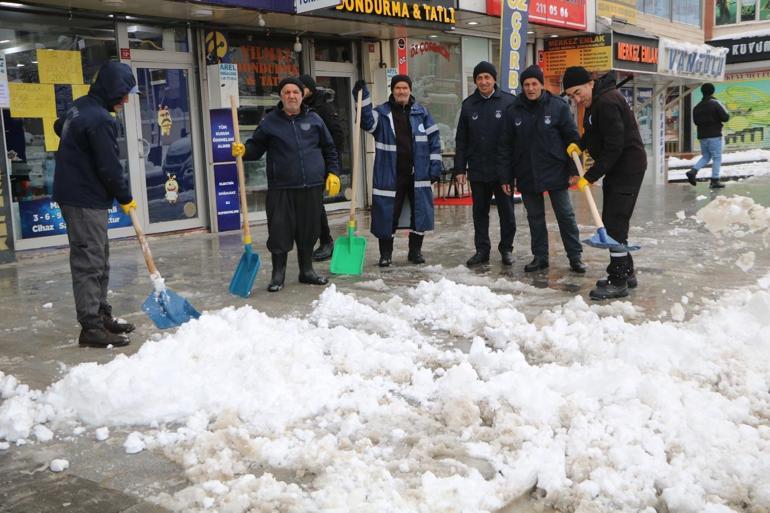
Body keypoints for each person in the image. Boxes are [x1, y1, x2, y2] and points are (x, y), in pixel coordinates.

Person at [53, 61, 139, 348]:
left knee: (99, 260)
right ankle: (90, 327)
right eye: (123, 92)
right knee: (89, 264)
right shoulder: (101, 118)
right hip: (83, 199)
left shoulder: (80, 107)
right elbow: (110, 167)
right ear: (112, 88)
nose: (126, 99)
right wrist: (125, 197)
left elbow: (59, 125)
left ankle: (101, 316)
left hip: (83, 197)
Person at [231, 77, 339, 292]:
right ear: (281, 96)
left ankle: (306, 271)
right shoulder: (270, 121)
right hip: (281, 188)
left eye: (295, 92)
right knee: (280, 232)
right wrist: (244, 151)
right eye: (287, 92)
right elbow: (256, 147)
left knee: (309, 231)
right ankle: (277, 275)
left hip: (311, 186)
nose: (291, 96)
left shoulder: (315, 119)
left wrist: (333, 172)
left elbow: (329, 148)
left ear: (302, 96)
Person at [562, 66, 646, 300]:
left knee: (614, 224)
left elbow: (614, 145)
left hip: (627, 167)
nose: (577, 99)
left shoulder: (607, 102)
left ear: (590, 83)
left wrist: (589, 176)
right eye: (571, 96)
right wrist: (580, 144)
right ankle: (626, 273)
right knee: (613, 221)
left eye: (578, 92)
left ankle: (618, 280)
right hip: (619, 168)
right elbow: (594, 131)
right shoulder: (597, 102)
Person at [498, 64, 586, 274]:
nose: (530, 88)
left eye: (534, 84)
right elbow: (505, 147)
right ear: (522, 87)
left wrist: (575, 169)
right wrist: (505, 178)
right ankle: (540, 256)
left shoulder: (558, 106)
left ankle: (575, 256)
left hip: (555, 170)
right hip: (527, 172)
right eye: (526, 84)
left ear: (541, 84)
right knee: (535, 218)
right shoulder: (513, 111)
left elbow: (572, 138)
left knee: (565, 215)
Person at [352, 74, 442, 267]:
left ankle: (415, 252)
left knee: (420, 213)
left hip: (418, 174)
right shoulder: (382, 114)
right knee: (387, 214)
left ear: (410, 90)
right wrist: (362, 96)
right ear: (392, 91)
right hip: (390, 174)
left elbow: (434, 140)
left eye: (405, 88)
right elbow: (366, 121)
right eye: (398, 88)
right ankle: (386, 254)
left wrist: (435, 166)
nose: (401, 91)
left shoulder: (422, 113)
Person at [454, 61, 516, 267]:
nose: (483, 81)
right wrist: (460, 168)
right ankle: (482, 250)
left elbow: (516, 138)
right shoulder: (468, 104)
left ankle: (506, 249)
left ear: (494, 79)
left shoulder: (508, 102)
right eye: (479, 78)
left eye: (487, 77)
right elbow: (461, 139)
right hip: (478, 170)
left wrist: (514, 168)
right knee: (479, 213)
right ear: (475, 81)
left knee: (506, 212)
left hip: (502, 171)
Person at [298, 74, 346, 261]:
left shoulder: (323, 108)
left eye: (302, 87)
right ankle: (310, 241)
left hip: (320, 164)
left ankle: (326, 241)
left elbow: (338, 136)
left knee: (315, 204)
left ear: (310, 89)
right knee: (306, 206)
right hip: (303, 164)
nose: (299, 91)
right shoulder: (300, 108)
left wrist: (331, 167)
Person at [686, 83, 729, 189]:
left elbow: (696, 122)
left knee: (706, 156)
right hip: (714, 136)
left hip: (702, 137)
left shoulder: (697, 107)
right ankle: (715, 180)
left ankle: (693, 171)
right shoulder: (715, 103)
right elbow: (726, 117)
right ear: (713, 91)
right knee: (717, 158)